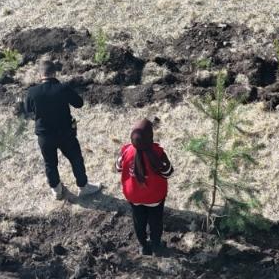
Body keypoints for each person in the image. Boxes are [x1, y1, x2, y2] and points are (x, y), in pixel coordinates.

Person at [23, 60, 101, 201]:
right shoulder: (63, 88)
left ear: (40, 74)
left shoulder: (32, 92)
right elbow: (79, 103)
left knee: (50, 163)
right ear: (54, 73)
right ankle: (83, 187)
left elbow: (28, 111)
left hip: (45, 136)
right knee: (76, 159)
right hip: (66, 134)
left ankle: (57, 190)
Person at [116, 118, 174, 256]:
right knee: (155, 220)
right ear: (151, 137)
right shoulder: (158, 153)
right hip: (154, 196)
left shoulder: (126, 151)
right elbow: (168, 173)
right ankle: (156, 244)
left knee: (138, 219)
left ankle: (143, 245)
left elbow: (118, 167)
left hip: (133, 195)